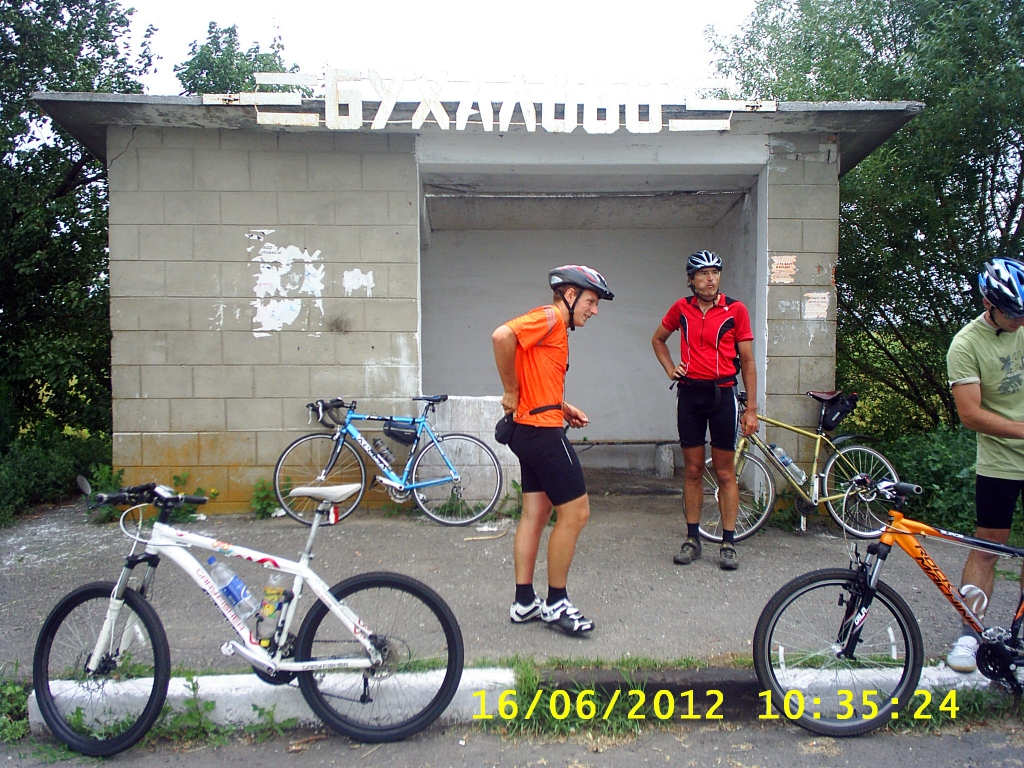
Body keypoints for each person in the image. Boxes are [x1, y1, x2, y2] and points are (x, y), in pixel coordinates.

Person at [492, 265, 613, 636]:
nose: (595, 310)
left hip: (530, 427)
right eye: (591, 301)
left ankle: (524, 603)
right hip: (542, 435)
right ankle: (556, 603)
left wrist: (561, 406)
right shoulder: (550, 317)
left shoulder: (553, 327)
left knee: (536, 514)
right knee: (576, 514)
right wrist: (510, 390)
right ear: (570, 295)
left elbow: (536, 374)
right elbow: (501, 336)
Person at [651, 250, 758, 570]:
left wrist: (751, 408)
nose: (710, 279)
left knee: (725, 472)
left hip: (723, 394)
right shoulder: (681, 308)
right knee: (694, 470)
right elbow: (658, 340)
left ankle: (728, 542)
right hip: (690, 395)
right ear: (691, 280)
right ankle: (692, 539)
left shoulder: (735, 310)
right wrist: (670, 369)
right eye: (703, 274)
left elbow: (748, 361)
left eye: (715, 273)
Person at [945, 257, 1024, 673]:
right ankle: (969, 634)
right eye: (1011, 314)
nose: (1018, 321)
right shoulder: (966, 344)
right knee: (988, 546)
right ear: (987, 304)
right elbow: (971, 414)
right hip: (1000, 460)